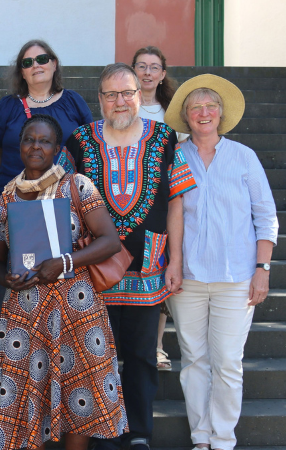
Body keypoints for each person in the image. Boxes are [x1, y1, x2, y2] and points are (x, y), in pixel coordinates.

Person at [66, 63, 197, 450]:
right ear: (100, 99)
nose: (119, 101)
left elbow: (177, 202)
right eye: (111, 94)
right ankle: (104, 431)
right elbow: (63, 200)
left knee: (141, 358)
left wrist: (175, 261)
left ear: (140, 95)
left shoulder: (164, 138)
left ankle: (139, 432)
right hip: (94, 273)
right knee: (96, 357)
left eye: (127, 93)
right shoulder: (80, 140)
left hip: (149, 269)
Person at [0, 114, 127, 450]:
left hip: (77, 307)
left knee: (80, 390)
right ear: (19, 146)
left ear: (58, 149)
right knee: (23, 392)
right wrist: (6, 278)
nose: (36, 146)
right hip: (26, 312)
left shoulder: (76, 186)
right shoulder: (6, 199)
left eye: (44, 141)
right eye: (29, 140)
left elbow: (110, 241)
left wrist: (64, 262)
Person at [164, 74, 278, 450]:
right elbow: (172, 213)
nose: (204, 112)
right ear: (185, 115)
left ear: (222, 114)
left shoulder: (244, 157)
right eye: (195, 107)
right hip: (190, 278)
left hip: (236, 277)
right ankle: (200, 437)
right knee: (195, 360)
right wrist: (174, 263)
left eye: (210, 105)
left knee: (228, 361)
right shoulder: (175, 156)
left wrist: (262, 270)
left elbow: (266, 217)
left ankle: (223, 438)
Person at [131, 45, 181, 371]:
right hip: (128, 200)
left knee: (160, 270)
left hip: (164, 200)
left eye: (154, 67)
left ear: (162, 74)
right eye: (141, 66)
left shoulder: (173, 115)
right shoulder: (122, 107)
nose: (147, 73)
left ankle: (158, 346)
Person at [0, 39, 94, 198]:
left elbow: (90, 147)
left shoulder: (74, 102)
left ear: (54, 64)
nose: (35, 65)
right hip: (13, 197)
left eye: (42, 59)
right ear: (22, 73)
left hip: (64, 198)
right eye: (27, 62)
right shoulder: (8, 106)